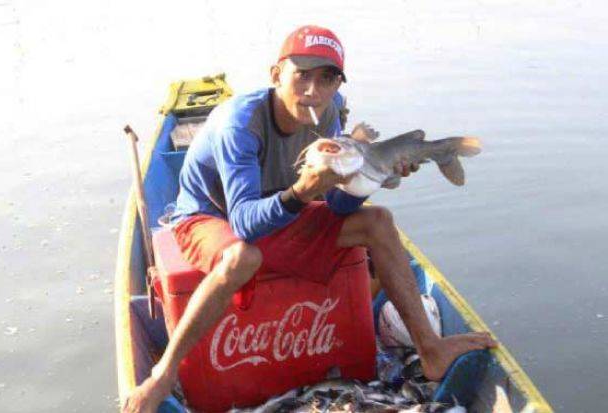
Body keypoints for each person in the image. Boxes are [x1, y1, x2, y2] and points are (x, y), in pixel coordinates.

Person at [123, 25, 497, 413]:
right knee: (242, 257)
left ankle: (430, 348)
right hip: (210, 216)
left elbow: (336, 207)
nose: (312, 90)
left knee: (379, 222)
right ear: (276, 75)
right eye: (301, 74)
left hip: (278, 212)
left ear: (337, 85)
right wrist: (303, 190)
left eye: (327, 78)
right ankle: (164, 374)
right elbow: (246, 224)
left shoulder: (328, 114)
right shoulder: (241, 124)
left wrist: (366, 181)